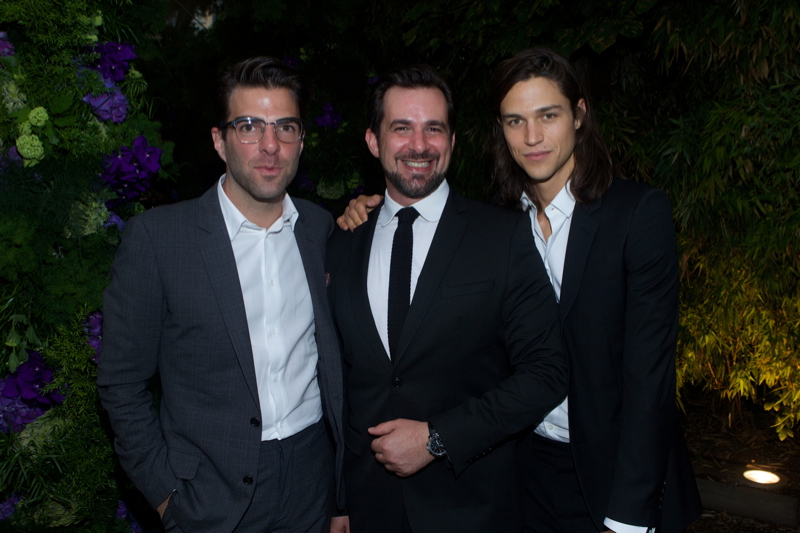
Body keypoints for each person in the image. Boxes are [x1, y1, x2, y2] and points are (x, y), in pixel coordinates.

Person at [338, 48, 702, 533]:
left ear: (578, 116)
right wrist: (362, 212)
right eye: (515, 121)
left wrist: (630, 515)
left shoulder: (635, 215)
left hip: (612, 474)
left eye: (547, 116)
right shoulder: (502, 222)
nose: (532, 137)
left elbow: (650, 382)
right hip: (523, 472)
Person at [97, 57, 345, 533]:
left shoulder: (319, 229)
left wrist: (338, 494)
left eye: (285, 127)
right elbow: (121, 384)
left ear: (301, 141)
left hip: (312, 483)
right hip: (209, 495)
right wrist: (166, 496)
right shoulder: (158, 239)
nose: (270, 146)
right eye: (249, 126)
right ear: (219, 140)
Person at [327, 65, 568, 533]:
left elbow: (547, 371)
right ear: (374, 142)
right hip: (369, 507)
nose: (419, 145)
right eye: (402, 128)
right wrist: (339, 498)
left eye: (433, 129)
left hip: (473, 509)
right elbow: (339, 384)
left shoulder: (501, 236)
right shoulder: (342, 241)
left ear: (452, 142)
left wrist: (438, 438)